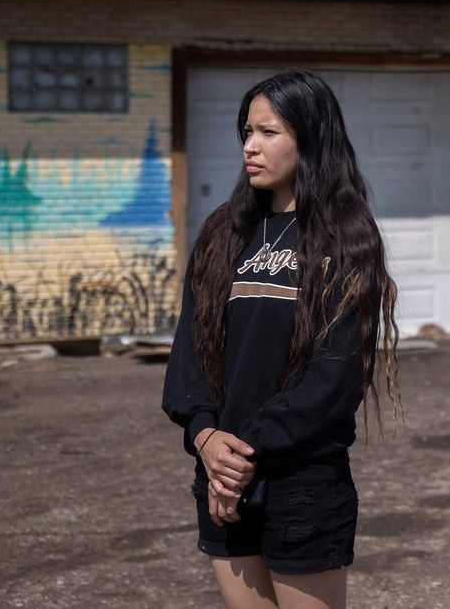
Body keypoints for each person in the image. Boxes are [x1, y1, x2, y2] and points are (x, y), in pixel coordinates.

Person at [161, 68, 405, 609]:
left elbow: (334, 379)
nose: (251, 146)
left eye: (268, 132)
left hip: (301, 484)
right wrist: (206, 441)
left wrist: (245, 451)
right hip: (220, 474)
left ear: (310, 138)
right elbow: (189, 357)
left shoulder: (345, 242)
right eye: (246, 132)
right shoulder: (224, 233)